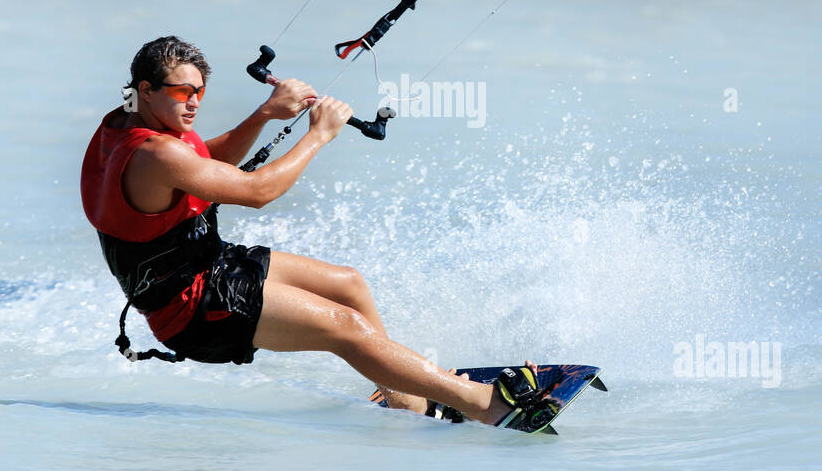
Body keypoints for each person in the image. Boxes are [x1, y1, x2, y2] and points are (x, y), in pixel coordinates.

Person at [81, 36, 548, 427]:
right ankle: (485, 406)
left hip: (208, 265)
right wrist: (319, 134)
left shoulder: (127, 124)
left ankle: (403, 398)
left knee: (348, 284)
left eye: (201, 91)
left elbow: (206, 164)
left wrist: (266, 113)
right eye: (184, 93)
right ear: (145, 89)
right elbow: (259, 190)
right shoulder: (155, 153)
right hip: (193, 311)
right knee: (346, 328)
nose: (196, 103)